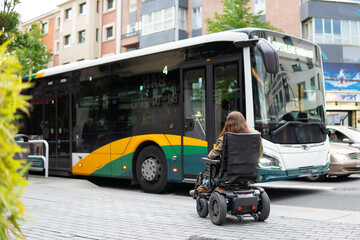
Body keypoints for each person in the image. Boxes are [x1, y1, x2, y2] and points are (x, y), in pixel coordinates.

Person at [190, 111, 263, 195]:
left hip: (229, 174)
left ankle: (205, 187)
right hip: (249, 172)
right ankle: (205, 186)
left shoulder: (226, 138)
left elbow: (211, 156)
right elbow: (259, 155)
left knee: (212, 166)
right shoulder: (255, 136)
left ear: (228, 123)